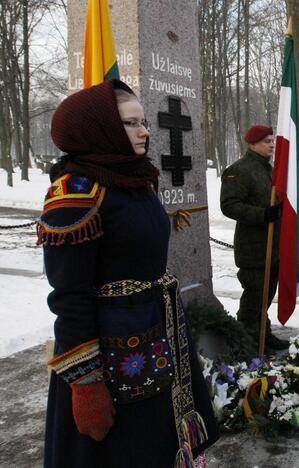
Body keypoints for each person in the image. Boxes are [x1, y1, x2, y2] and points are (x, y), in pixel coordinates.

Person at [39, 79, 218, 467]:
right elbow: (70, 295)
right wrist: (86, 383)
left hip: (155, 331)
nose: (145, 131)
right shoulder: (77, 192)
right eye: (130, 123)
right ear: (98, 127)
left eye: (143, 122)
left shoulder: (133, 177)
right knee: (124, 448)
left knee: (156, 441)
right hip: (113, 353)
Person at [220, 124, 289, 351]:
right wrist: (262, 214)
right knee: (254, 298)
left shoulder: (269, 169)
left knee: (265, 297)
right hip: (253, 248)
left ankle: (262, 332)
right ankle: (247, 341)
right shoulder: (239, 170)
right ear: (252, 144)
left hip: (273, 246)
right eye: (266, 141)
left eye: (272, 141)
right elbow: (229, 205)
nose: (271, 145)